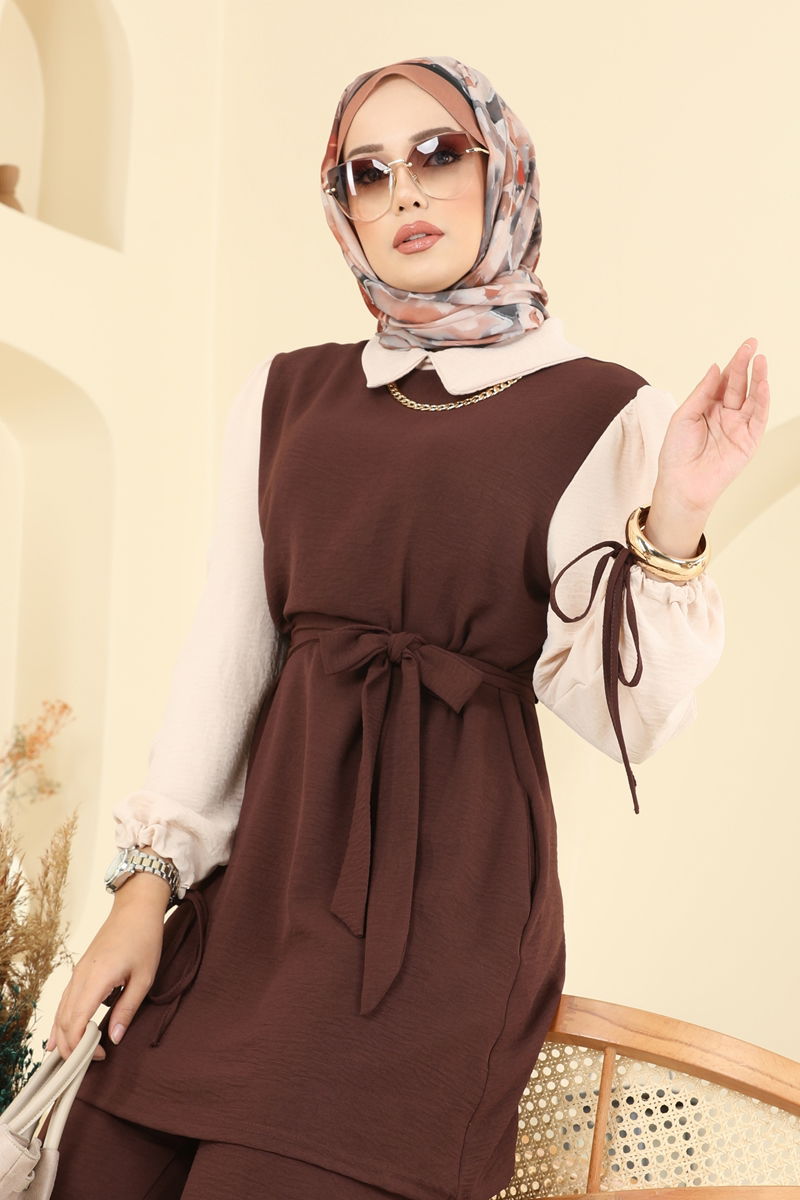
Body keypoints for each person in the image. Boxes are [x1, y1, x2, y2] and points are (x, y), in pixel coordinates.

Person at [43, 55, 768, 1200]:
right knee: (99, 1163)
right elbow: (225, 659)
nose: (405, 193)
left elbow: (619, 713)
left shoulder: (605, 410)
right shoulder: (285, 396)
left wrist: (673, 515)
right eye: (366, 173)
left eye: (437, 154)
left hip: (440, 926)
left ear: (503, 169)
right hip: (256, 892)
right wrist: (144, 891)